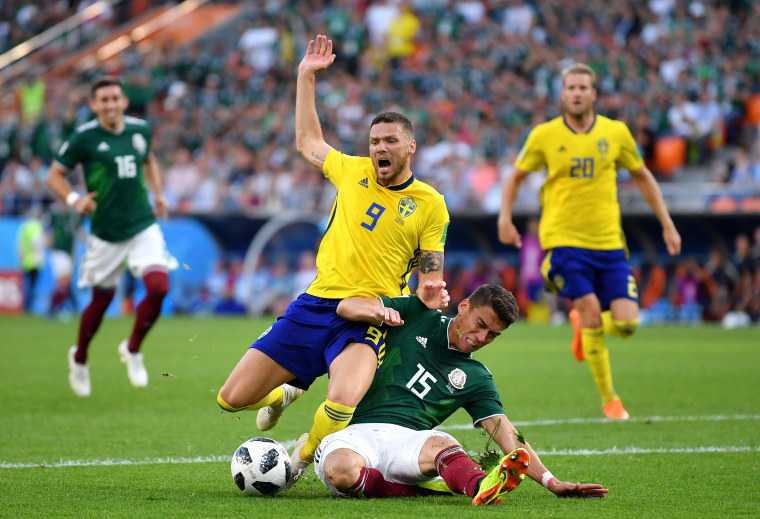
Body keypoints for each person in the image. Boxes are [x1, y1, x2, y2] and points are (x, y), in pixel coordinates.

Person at [216, 34, 450, 485]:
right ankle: (283, 393)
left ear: (410, 148)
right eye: (374, 141)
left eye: (390, 141)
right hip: (316, 304)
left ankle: (299, 458)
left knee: (341, 401)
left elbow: (431, 270)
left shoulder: (430, 203)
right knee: (231, 399)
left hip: (368, 314)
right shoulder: (351, 170)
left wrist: (432, 289)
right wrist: (305, 76)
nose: (379, 148)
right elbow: (307, 141)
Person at [498, 63, 682, 419]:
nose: (578, 93)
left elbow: (643, 176)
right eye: (571, 87)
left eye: (584, 87)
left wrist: (667, 223)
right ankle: (611, 401)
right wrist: (505, 218)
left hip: (610, 244)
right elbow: (515, 176)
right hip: (565, 243)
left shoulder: (616, 133)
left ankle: (582, 324)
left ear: (594, 93)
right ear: (562, 94)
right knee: (594, 313)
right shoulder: (544, 135)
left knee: (627, 324)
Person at [314, 284, 608, 504]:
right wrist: (378, 311)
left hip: (409, 444)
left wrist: (552, 482)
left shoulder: (477, 378)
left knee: (442, 442)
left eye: (492, 335)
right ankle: (415, 490)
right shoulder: (419, 315)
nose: (481, 338)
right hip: (354, 432)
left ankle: (482, 486)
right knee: (341, 471)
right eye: (481, 325)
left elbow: (506, 433)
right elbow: (345, 306)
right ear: (464, 306)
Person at [46, 76, 175, 398]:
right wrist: (75, 200)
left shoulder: (139, 130)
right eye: (103, 100)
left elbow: (149, 160)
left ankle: (132, 349)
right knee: (102, 301)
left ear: (124, 101)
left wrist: (158, 194)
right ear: (94, 105)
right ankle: (79, 357)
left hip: (141, 224)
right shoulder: (84, 137)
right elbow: (54, 174)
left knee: (159, 286)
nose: (110, 104)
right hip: (105, 232)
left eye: (115, 98)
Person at [47, 202, 80, 318]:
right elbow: (48, 229)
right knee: (63, 281)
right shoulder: (56, 215)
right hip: (59, 251)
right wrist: (48, 239)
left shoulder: (75, 216)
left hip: (69, 253)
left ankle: (56, 310)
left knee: (65, 283)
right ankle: (55, 310)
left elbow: (78, 230)